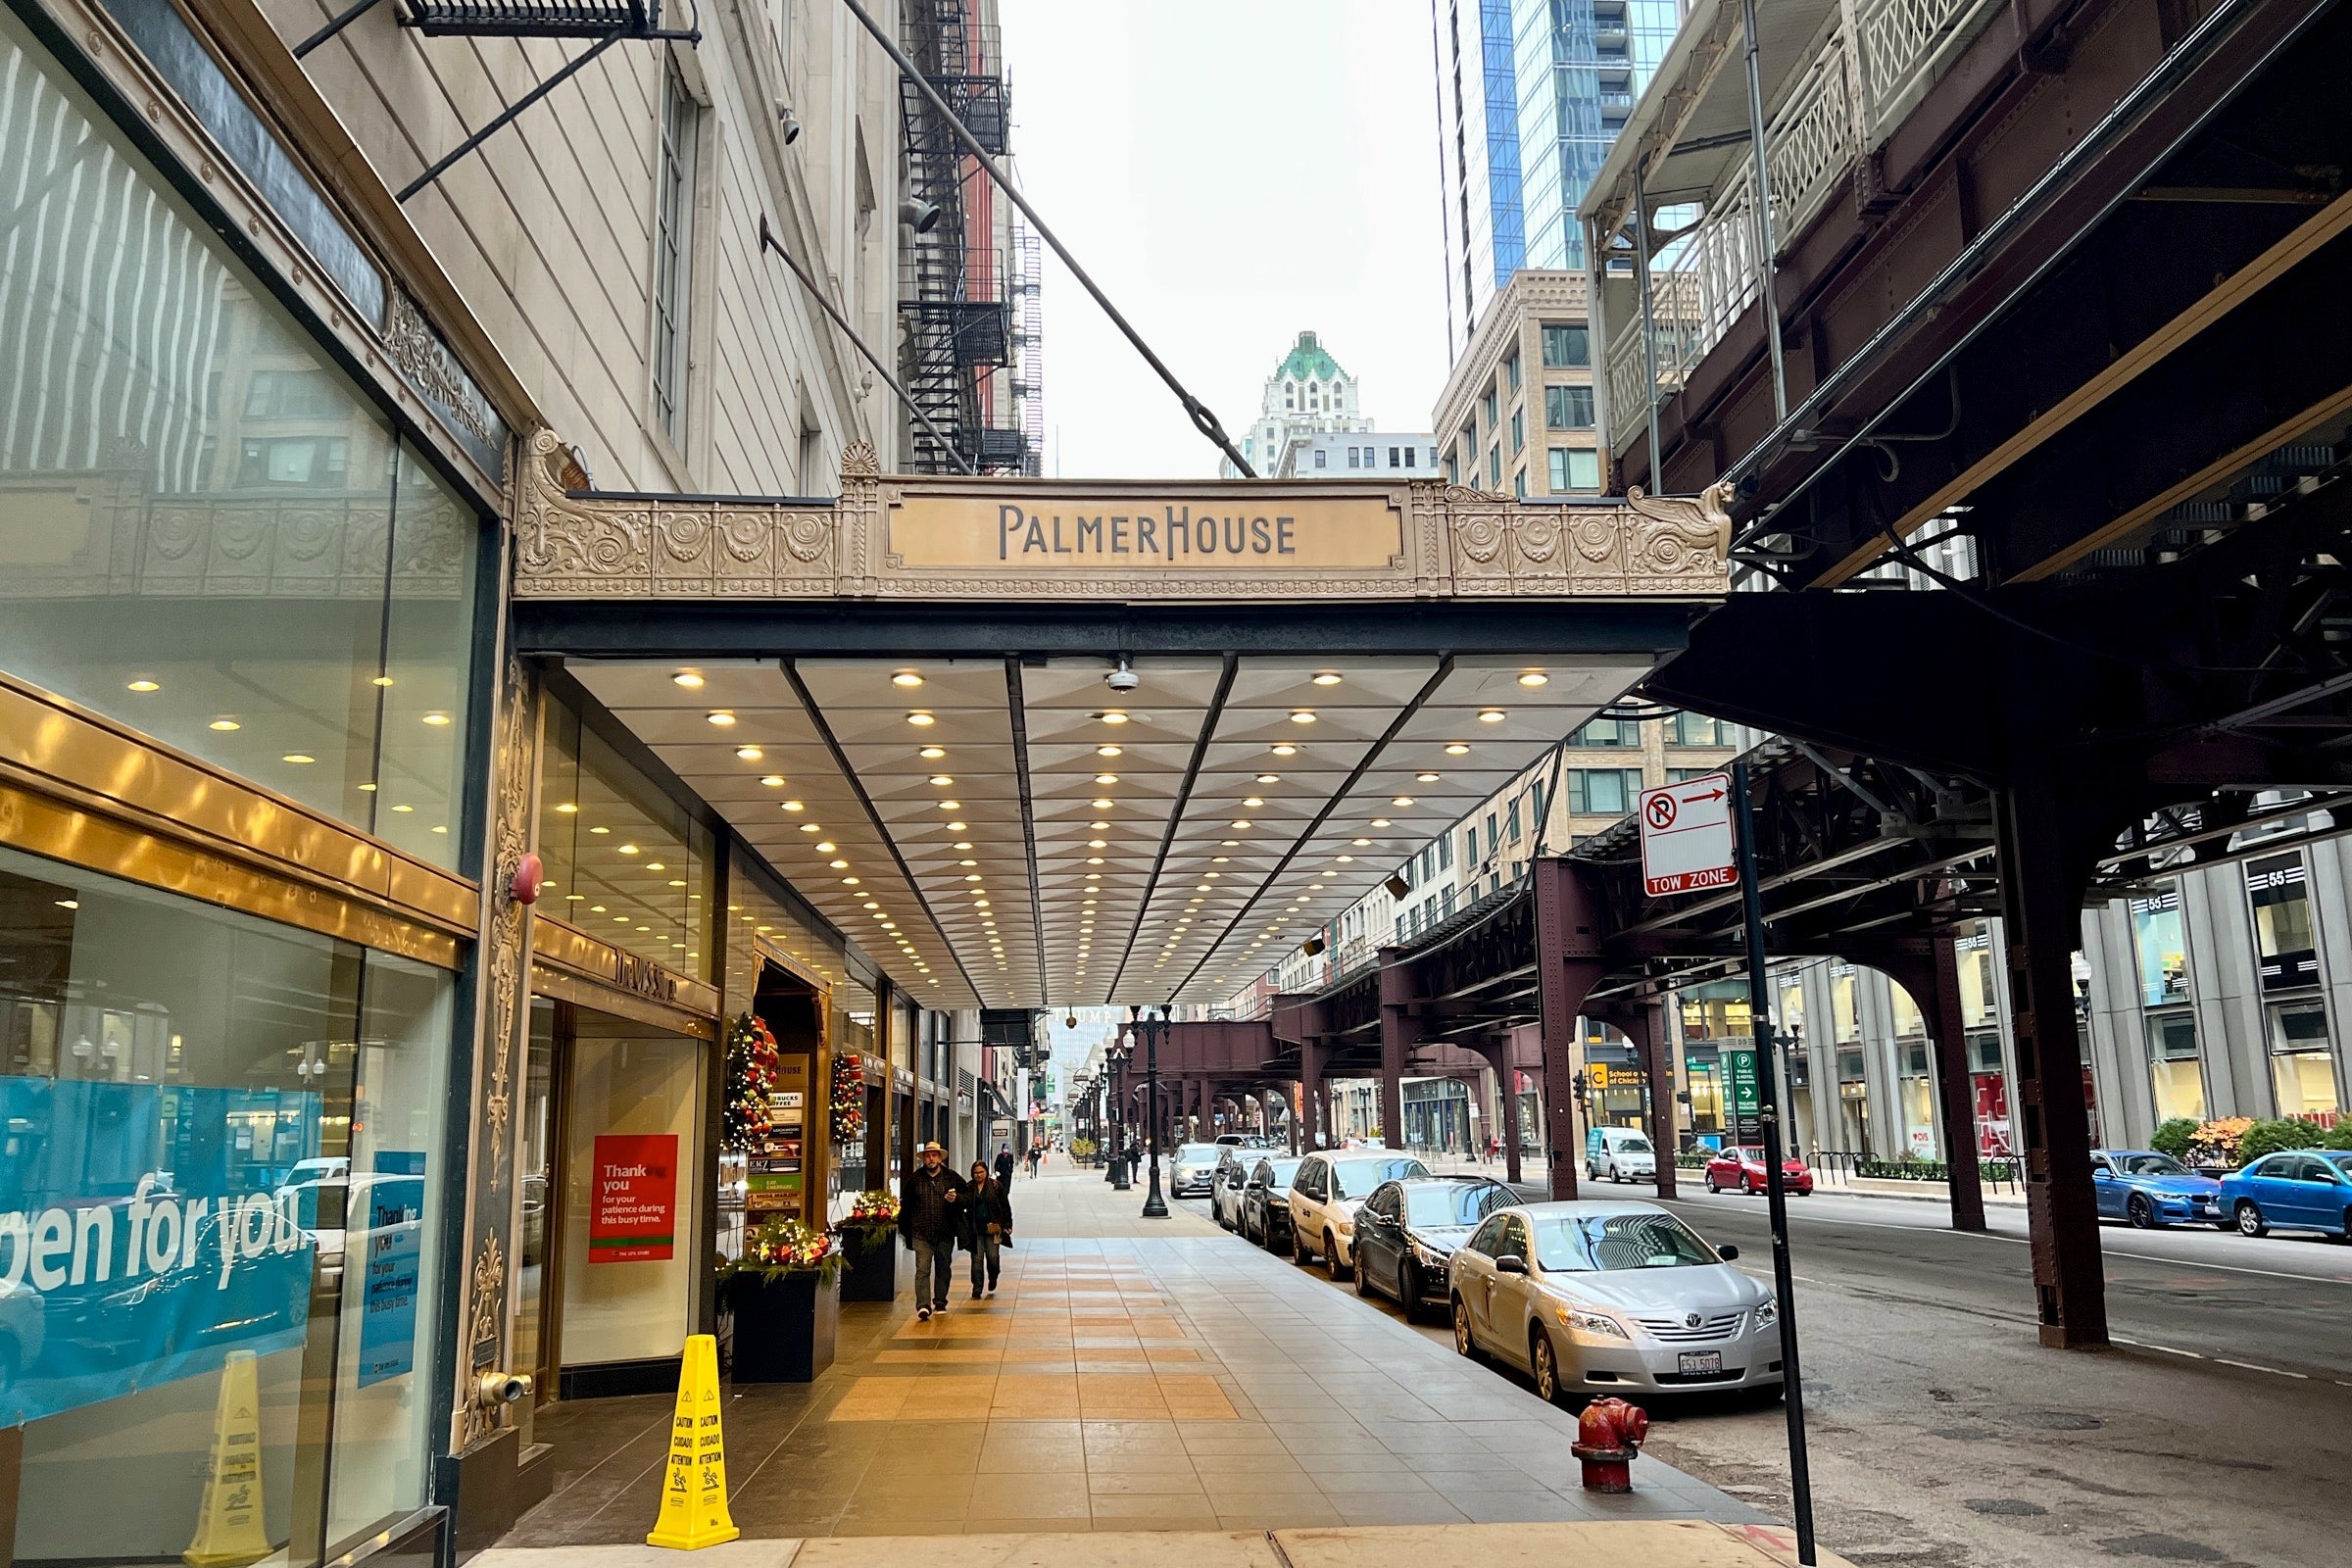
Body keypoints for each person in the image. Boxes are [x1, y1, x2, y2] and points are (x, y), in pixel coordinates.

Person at [899, 1141, 961, 1321]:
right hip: (921, 1233)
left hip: (945, 1232)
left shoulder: (951, 1177)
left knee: (943, 1268)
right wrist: (906, 1231)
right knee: (922, 1270)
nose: (931, 1158)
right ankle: (923, 1305)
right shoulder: (914, 1180)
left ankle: (940, 1302)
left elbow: (966, 1196)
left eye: (934, 1155)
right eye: (927, 1155)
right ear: (923, 1159)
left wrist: (956, 1199)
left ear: (940, 1158)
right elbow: (906, 1206)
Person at [959, 1159, 1012, 1298]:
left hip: (993, 1228)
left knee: (992, 1257)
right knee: (976, 1260)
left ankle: (993, 1277)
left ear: (986, 1172)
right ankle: (977, 1287)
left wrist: (1007, 1225)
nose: (978, 1175)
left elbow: (1005, 1206)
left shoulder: (996, 1186)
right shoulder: (969, 1187)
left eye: (981, 1172)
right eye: (976, 1173)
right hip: (975, 1229)